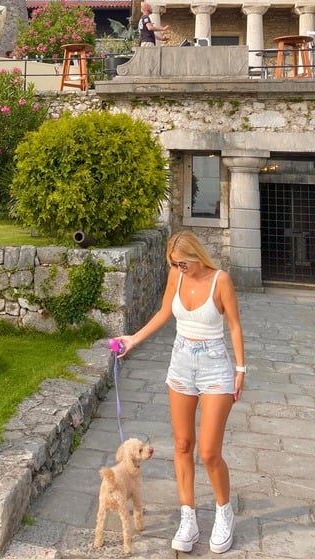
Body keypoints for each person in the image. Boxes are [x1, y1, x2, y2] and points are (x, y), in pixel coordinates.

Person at [114, 230, 245, 554]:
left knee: (209, 452)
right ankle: (188, 518)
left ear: (196, 255)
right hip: (181, 363)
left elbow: (234, 326)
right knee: (183, 445)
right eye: (175, 264)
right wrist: (133, 339)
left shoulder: (221, 281)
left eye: (182, 263)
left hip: (215, 366)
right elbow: (163, 312)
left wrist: (241, 370)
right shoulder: (176, 274)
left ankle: (223, 513)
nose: (178, 269)